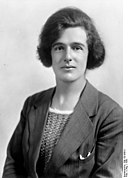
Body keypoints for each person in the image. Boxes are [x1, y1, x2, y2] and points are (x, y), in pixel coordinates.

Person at [2, 7, 123, 178]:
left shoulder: (110, 115)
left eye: (77, 48)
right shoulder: (32, 104)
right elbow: (13, 164)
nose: (67, 56)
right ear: (49, 53)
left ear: (90, 53)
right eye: (59, 48)